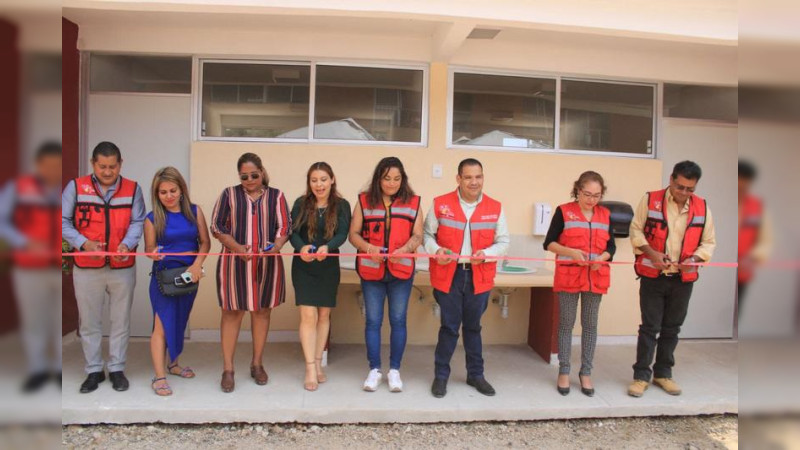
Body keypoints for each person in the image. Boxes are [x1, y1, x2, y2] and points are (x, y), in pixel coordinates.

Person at [61, 141, 146, 393]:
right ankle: (94, 371)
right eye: (102, 166)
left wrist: (127, 245)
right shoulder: (75, 187)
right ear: (92, 164)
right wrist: (83, 243)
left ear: (121, 164)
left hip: (122, 266)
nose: (107, 172)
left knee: (120, 321)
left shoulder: (133, 189)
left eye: (112, 166)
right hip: (87, 267)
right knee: (89, 323)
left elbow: (138, 221)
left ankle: (117, 369)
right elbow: (63, 222)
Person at [628, 160, 716, 398]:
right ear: (671, 180)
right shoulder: (650, 199)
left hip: (683, 279)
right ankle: (641, 376)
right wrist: (651, 253)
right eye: (680, 187)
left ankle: (663, 374)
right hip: (653, 276)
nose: (684, 193)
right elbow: (635, 230)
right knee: (649, 327)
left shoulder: (702, 207)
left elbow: (708, 242)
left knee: (672, 328)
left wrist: (695, 259)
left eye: (690, 189)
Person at [423, 158, 509, 398]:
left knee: (473, 327)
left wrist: (488, 254)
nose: (474, 182)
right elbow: (427, 235)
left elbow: (503, 242)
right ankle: (441, 377)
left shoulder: (495, 206)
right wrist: (436, 250)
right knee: (449, 328)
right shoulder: (441, 204)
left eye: (478, 176)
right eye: (468, 177)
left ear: (483, 177)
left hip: (479, 276)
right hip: (449, 275)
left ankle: (476, 375)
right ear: (458, 179)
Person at [210, 152, 291, 393]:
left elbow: (285, 226)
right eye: (244, 176)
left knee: (262, 311)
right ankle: (228, 369)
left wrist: (275, 246)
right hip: (234, 263)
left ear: (262, 172)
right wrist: (236, 247)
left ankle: (257, 364)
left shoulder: (276, 196)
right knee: (232, 313)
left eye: (254, 175)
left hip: (266, 264)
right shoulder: (229, 194)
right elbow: (217, 225)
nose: (249, 180)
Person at [348, 157, 423, 393]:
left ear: (403, 179)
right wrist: (369, 248)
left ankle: (394, 371)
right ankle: (374, 370)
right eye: (387, 178)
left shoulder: (414, 202)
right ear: (378, 178)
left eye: (397, 179)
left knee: (398, 320)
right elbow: (354, 234)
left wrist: (405, 250)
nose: (391, 183)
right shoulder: (363, 201)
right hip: (372, 272)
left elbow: (418, 235)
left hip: (402, 272)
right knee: (373, 321)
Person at [544, 171, 615, 397]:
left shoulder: (605, 214)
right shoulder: (564, 212)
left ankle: (586, 372)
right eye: (587, 194)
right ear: (577, 190)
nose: (591, 199)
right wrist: (571, 252)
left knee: (590, 325)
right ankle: (564, 370)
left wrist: (601, 259)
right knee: (566, 324)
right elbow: (549, 243)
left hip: (595, 277)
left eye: (597, 195)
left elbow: (611, 248)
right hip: (569, 277)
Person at [0, 142, 63, 392]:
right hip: (28, 269)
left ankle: (58, 369)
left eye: (57, 165)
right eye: (47, 165)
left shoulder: (67, 191)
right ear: (38, 165)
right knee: (33, 320)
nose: (53, 169)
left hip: (58, 267)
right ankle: (37, 369)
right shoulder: (17, 188)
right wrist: (23, 241)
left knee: (56, 321)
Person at [144, 167, 210, 396]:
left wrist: (196, 265)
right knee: (161, 325)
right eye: (163, 192)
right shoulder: (152, 218)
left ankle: (173, 365)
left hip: (189, 276)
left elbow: (205, 242)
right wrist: (152, 253)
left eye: (173, 190)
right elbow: (149, 249)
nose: (169, 196)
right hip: (164, 278)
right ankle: (159, 376)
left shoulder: (195, 211)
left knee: (179, 320)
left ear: (181, 189)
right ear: (157, 194)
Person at [289, 162, 351, 391]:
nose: (319, 184)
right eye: (314, 180)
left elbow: (343, 232)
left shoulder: (342, 205)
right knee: (307, 315)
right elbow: (292, 232)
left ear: (332, 180)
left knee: (324, 315)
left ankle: (318, 363)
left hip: (328, 266)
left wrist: (329, 247)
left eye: (323, 179)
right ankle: (309, 368)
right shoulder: (300, 203)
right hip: (304, 266)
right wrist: (301, 248)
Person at [737, 159, 770, 315]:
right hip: (720, 271)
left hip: (743, 271)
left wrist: (753, 257)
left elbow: (766, 240)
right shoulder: (718, 203)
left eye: (745, 184)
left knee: (738, 313)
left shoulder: (757, 206)